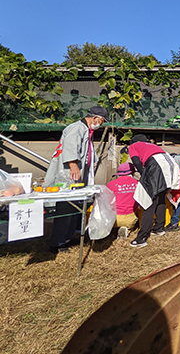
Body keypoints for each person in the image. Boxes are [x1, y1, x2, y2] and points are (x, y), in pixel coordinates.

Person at [44, 105, 107, 252]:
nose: (101, 124)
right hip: (69, 174)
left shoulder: (86, 130)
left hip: (78, 175)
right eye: (102, 121)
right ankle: (57, 242)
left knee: (75, 207)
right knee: (66, 206)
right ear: (95, 118)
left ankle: (67, 237)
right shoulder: (77, 128)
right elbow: (70, 147)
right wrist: (73, 165)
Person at [127, 134, 180, 248]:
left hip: (156, 166)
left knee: (149, 201)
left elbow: (136, 162)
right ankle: (159, 228)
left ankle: (141, 238)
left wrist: (144, 174)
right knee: (160, 196)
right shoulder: (152, 145)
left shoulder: (133, 146)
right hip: (171, 164)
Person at [106, 162, 139, 239]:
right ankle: (127, 228)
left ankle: (112, 228)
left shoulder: (111, 184)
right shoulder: (137, 183)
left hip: (114, 218)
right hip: (130, 217)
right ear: (132, 173)